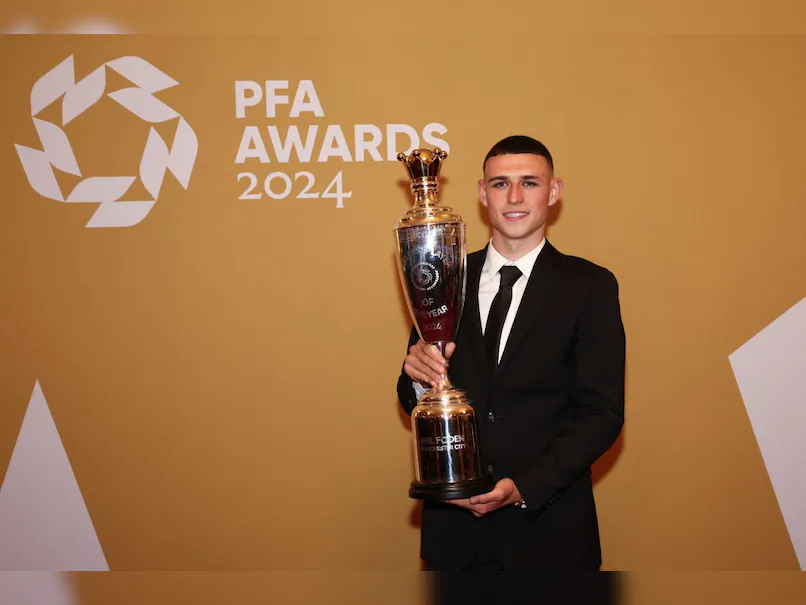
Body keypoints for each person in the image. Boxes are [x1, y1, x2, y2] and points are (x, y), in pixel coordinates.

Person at [396, 135, 626, 585]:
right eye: (501, 183)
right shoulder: (444, 276)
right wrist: (421, 379)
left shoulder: (590, 285)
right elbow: (411, 395)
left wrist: (525, 486)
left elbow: (602, 413)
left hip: (550, 534)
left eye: (529, 183)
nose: (515, 197)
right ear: (483, 194)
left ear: (553, 191)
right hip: (456, 537)